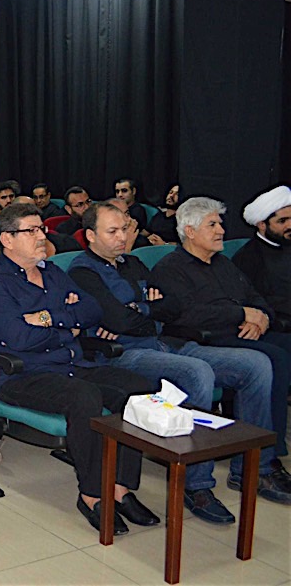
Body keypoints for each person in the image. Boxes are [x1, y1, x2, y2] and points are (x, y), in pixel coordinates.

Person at [69, 202, 288, 515]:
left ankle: (255, 469)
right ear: (91, 235)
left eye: (124, 229)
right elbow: (119, 320)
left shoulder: (132, 263)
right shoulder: (82, 272)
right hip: (124, 354)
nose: (122, 237)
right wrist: (146, 311)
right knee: (196, 372)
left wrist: (140, 310)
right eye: (112, 231)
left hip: (167, 342)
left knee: (256, 365)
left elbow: (172, 306)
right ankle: (196, 485)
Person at [0, 203, 158, 535]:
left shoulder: (53, 273)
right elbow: (19, 338)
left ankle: (121, 487)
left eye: (42, 229)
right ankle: (91, 495)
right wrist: (66, 326)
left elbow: (92, 311)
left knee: (139, 390)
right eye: (31, 231)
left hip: (72, 364)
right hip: (23, 375)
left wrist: (47, 318)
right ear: (7, 240)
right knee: (84, 397)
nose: (41, 236)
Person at [149, 197, 291, 460]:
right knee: (274, 358)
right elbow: (188, 315)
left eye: (220, 224)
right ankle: (263, 455)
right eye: (212, 225)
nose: (222, 231)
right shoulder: (170, 269)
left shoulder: (224, 264)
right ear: (190, 231)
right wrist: (242, 314)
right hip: (207, 340)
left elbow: (255, 296)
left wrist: (261, 317)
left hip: (242, 331)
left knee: (285, 347)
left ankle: (268, 445)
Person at [233, 185, 291, 329]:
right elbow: (255, 299)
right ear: (262, 225)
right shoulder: (248, 257)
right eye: (282, 221)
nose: (290, 225)